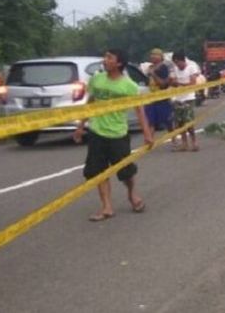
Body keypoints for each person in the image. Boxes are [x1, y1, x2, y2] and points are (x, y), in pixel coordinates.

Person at [74, 49, 153, 222]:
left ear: (118, 63)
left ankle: (132, 195)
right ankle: (107, 207)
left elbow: (139, 109)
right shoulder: (97, 79)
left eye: (110, 57)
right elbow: (91, 102)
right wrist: (81, 126)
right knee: (98, 171)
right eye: (105, 56)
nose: (105, 59)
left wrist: (147, 133)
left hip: (118, 133)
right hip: (97, 132)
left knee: (126, 172)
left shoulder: (129, 86)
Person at [170, 51, 200, 151]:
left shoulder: (191, 68)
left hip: (188, 98)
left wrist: (179, 84)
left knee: (189, 122)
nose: (177, 65)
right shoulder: (175, 69)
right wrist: (174, 83)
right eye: (175, 63)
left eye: (178, 62)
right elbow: (173, 82)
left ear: (183, 60)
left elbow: (192, 83)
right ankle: (184, 143)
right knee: (180, 123)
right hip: (178, 98)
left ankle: (194, 142)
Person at [143, 48, 173, 138]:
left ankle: (174, 139)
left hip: (162, 98)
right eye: (152, 54)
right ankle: (149, 141)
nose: (153, 56)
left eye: (156, 54)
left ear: (161, 57)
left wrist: (153, 74)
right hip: (151, 98)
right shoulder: (150, 68)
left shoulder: (163, 67)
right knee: (150, 121)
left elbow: (164, 84)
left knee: (168, 120)